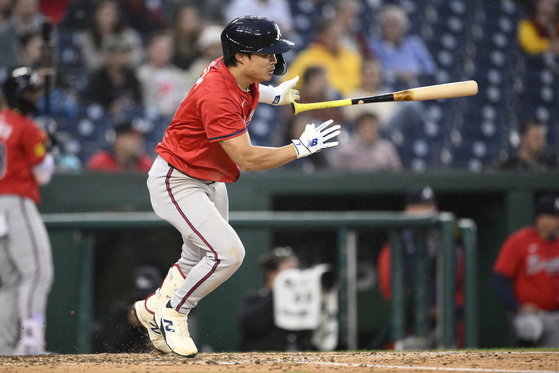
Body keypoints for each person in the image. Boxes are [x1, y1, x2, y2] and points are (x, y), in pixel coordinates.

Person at [132, 15, 340, 357]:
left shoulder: (233, 70)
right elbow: (249, 159)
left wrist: (276, 96)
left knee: (198, 256)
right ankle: (173, 313)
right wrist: (300, 148)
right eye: (266, 53)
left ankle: (154, 307)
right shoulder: (218, 95)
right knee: (228, 254)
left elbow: (246, 88)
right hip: (178, 179)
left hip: (209, 178)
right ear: (241, 56)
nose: (274, 59)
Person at [0, 67, 55, 355]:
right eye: (31, 92)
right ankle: (32, 343)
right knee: (37, 274)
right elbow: (43, 173)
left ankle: (4, 346)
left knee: (9, 281)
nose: (35, 97)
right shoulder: (25, 127)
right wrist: (48, 146)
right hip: (16, 201)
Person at [377, 186, 464, 349]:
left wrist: (445, 310)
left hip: (445, 327)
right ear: (408, 210)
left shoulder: (449, 244)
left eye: (432, 205)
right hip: (410, 329)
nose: (430, 210)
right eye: (423, 206)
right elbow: (389, 290)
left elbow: (460, 285)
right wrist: (420, 311)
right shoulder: (396, 245)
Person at [493, 194, 559, 347]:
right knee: (529, 328)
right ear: (541, 219)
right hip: (529, 314)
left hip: (555, 313)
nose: (558, 222)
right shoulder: (519, 241)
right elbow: (500, 279)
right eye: (555, 217)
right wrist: (516, 307)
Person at [238, 247, 312, 351]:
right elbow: (251, 327)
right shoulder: (255, 299)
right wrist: (278, 292)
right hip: (262, 361)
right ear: (272, 273)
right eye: (288, 272)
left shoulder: (299, 301)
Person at [281, 18, 363, 95]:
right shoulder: (308, 57)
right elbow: (286, 83)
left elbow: (363, 79)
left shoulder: (352, 56)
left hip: (354, 98)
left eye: (339, 35)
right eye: (332, 35)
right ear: (322, 36)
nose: (336, 39)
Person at [368, 4, 437, 89]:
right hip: (388, 87)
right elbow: (372, 69)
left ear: (403, 27)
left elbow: (430, 67)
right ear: (382, 27)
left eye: (395, 25)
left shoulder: (414, 43)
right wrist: (395, 73)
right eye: (389, 25)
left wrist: (413, 72)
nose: (392, 29)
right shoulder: (374, 45)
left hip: (415, 84)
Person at [84, 34, 143, 117]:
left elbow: (138, 104)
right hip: (102, 122)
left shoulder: (131, 77)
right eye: (118, 54)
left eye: (124, 53)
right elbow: (91, 106)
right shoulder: (97, 78)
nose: (123, 57)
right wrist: (108, 109)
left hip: (128, 121)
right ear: (109, 56)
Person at [137, 31, 191, 119]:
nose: (165, 51)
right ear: (149, 50)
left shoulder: (181, 76)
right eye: (160, 48)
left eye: (168, 48)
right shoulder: (141, 75)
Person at [80, 0, 144, 71]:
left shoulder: (127, 33)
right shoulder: (89, 36)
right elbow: (91, 62)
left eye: (113, 14)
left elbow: (139, 55)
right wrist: (108, 60)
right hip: (99, 77)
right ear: (96, 16)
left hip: (126, 74)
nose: (110, 19)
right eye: (106, 14)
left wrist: (124, 59)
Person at [329, 112, 402, 172]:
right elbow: (336, 175)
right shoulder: (344, 150)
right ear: (358, 129)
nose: (370, 131)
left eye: (373, 127)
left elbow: (397, 173)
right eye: (366, 127)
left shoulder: (387, 148)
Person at [87, 121, 154, 172]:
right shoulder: (101, 162)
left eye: (140, 138)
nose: (138, 142)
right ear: (118, 140)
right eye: (132, 138)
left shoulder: (146, 163)